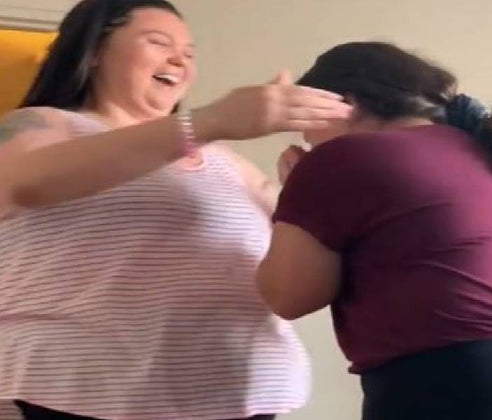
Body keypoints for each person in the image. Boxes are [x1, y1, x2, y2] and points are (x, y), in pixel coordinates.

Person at [0, 0, 353, 419]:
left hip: (245, 390)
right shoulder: (42, 126)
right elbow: (23, 182)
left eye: (189, 53)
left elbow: (294, 263)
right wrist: (208, 121)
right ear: (94, 51)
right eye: (158, 42)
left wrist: (311, 191)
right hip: (87, 392)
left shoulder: (228, 164)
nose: (179, 60)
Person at [258, 42, 492, 420]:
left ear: (344, 104)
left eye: (308, 131)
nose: (307, 143)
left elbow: (289, 296)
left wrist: (294, 194)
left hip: (478, 366)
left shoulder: (340, 157)